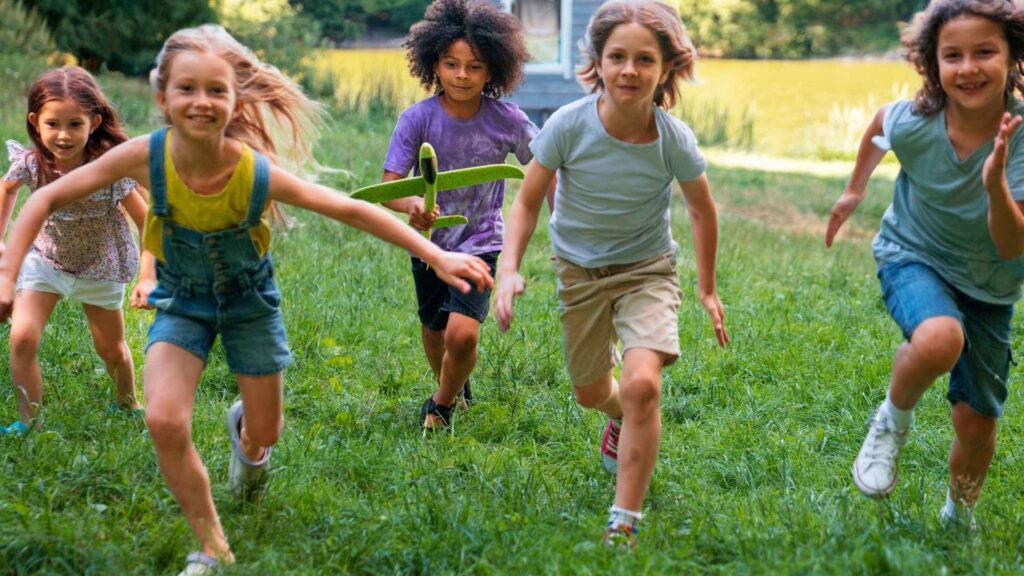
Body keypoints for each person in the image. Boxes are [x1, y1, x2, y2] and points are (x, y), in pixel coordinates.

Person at [0, 25, 493, 575]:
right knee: (164, 420)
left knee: (267, 431)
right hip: (182, 302)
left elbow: (349, 209)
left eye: (216, 90)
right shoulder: (142, 156)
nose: (201, 101)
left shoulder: (250, 169)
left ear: (234, 101)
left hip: (248, 305)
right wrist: (7, 273)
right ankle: (211, 545)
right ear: (162, 97)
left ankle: (248, 439)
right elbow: (45, 199)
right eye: (187, 89)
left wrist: (439, 255)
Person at [493, 0, 729, 548]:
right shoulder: (568, 126)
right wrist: (508, 269)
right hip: (580, 274)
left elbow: (701, 210)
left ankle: (624, 518)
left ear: (666, 68)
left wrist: (707, 288)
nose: (629, 70)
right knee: (592, 390)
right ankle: (618, 415)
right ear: (597, 61)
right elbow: (526, 202)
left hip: (648, 271)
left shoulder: (673, 139)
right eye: (617, 56)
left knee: (644, 384)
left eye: (644, 59)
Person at [825, 0, 1024, 530]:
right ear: (932, 63)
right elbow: (877, 125)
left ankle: (959, 515)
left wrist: (995, 185)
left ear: (1012, 56)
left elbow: (1011, 245)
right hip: (913, 255)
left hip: (991, 284)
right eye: (952, 55)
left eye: (985, 52)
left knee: (977, 423)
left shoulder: (1022, 135)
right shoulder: (918, 121)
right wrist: (852, 192)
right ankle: (892, 419)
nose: (968, 67)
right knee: (939, 338)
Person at [380, 0, 539, 431]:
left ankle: (441, 406)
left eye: (474, 66)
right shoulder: (417, 119)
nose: (462, 75)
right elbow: (390, 185)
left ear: (493, 71)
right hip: (428, 245)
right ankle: (453, 387)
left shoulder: (507, 119)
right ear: (435, 65)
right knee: (434, 331)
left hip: (482, 242)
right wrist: (411, 206)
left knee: (462, 334)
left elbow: (542, 162)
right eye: (452, 64)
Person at [0, 67, 147, 435]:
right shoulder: (34, 162)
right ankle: (27, 420)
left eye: (74, 124)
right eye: (52, 124)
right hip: (47, 260)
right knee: (22, 336)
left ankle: (127, 404)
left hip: (101, 266)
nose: (63, 136)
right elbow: (6, 190)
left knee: (111, 349)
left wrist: (152, 268)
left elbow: (146, 220)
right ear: (35, 121)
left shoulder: (109, 167)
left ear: (94, 122)